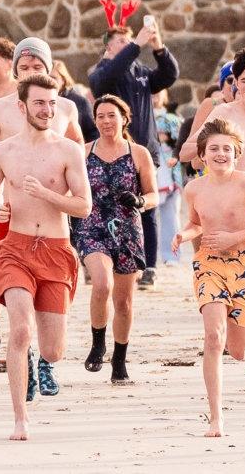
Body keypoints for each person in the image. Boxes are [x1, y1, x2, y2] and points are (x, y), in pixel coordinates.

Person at [0, 75, 91, 439]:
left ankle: (39, 358)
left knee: (53, 349)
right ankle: (20, 419)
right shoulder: (1, 152)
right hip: (15, 248)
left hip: (56, 250)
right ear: (22, 106)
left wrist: (47, 194)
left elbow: (83, 207)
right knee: (19, 329)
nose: (47, 110)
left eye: (52, 103)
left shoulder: (68, 151)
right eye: (40, 103)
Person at [176, 118, 245, 437]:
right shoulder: (193, 188)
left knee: (237, 349)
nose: (220, 154)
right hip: (209, 264)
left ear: (236, 154)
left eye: (226, 149)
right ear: (202, 155)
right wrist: (183, 234)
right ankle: (215, 417)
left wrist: (235, 238)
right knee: (213, 337)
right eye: (214, 149)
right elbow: (196, 224)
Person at [73, 95, 155, 383]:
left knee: (124, 302)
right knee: (102, 283)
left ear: (124, 118)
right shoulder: (82, 152)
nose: (106, 121)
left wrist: (140, 201)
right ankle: (98, 343)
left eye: (112, 116)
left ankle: (119, 361)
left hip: (127, 230)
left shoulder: (139, 153)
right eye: (101, 116)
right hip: (91, 226)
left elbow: (154, 195)